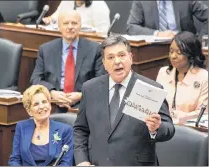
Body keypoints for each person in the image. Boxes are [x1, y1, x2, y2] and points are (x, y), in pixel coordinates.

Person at [73, 35, 175, 166]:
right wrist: (82, 161)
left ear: (131, 58)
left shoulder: (150, 89)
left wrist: (156, 128)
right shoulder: (90, 88)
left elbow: (169, 129)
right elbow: (80, 129)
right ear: (104, 63)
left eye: (121, 55)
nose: (117, 61)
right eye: (110, 57)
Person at [31, 10, 106, 113]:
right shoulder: (46, 50)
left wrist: (82, 95)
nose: (70, 27)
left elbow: (101, 81)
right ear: (59, 26)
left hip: (83, 103)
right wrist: (52, 92)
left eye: (74, 23)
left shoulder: (95, 49)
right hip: (52, 103)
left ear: (80, 25)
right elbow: (35, 79)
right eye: (66, 23)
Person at [8, 85, 73, 166]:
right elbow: (14, 159)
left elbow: (66, 163)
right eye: (36, 104)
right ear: (29, 111)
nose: (41, 107)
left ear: (49, 105)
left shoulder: (65, 130)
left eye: (44, 102)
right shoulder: (21, 127)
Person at [156, 31, 208, 121]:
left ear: (190, 55)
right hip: (164, 126)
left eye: (179, 53)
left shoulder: (203, 77)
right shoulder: (163, 72)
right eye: (171, 51)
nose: (173, 56)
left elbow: (203, 113)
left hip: (190, 129)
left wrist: (180, 116)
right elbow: (155, 103)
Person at [126, 1, 208, 38]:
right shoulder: (141, 2)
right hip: (153, 51)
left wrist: (200, 42)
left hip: (185, 49)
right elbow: (131, 27)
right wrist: (157, 34)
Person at [43, 0, 110, 35]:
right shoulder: (67, 1)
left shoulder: (99, 5)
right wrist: (50, 20)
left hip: (88, 45)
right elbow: (56, 17)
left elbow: (103, 33)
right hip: (65, 40)